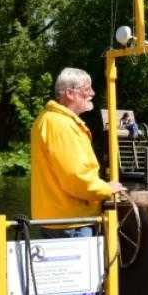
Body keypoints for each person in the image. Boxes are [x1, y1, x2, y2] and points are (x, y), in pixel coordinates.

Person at [31, 67, 124, 237]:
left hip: (60, 219)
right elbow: (75, 177)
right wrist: (106, 189)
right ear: (70, 93)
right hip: (71, 222)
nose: (92, 93)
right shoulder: (60, 124)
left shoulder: (50, 119)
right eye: (86, 89)